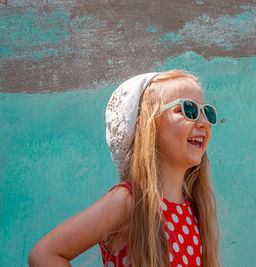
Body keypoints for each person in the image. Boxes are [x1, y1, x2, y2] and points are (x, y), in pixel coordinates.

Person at [28, 70, 221, 267]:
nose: (204, 122)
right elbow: (44, 253)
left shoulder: (194, 207)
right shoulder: (130, 202)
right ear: (149, 124)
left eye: (207, 112)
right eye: (188, 110)